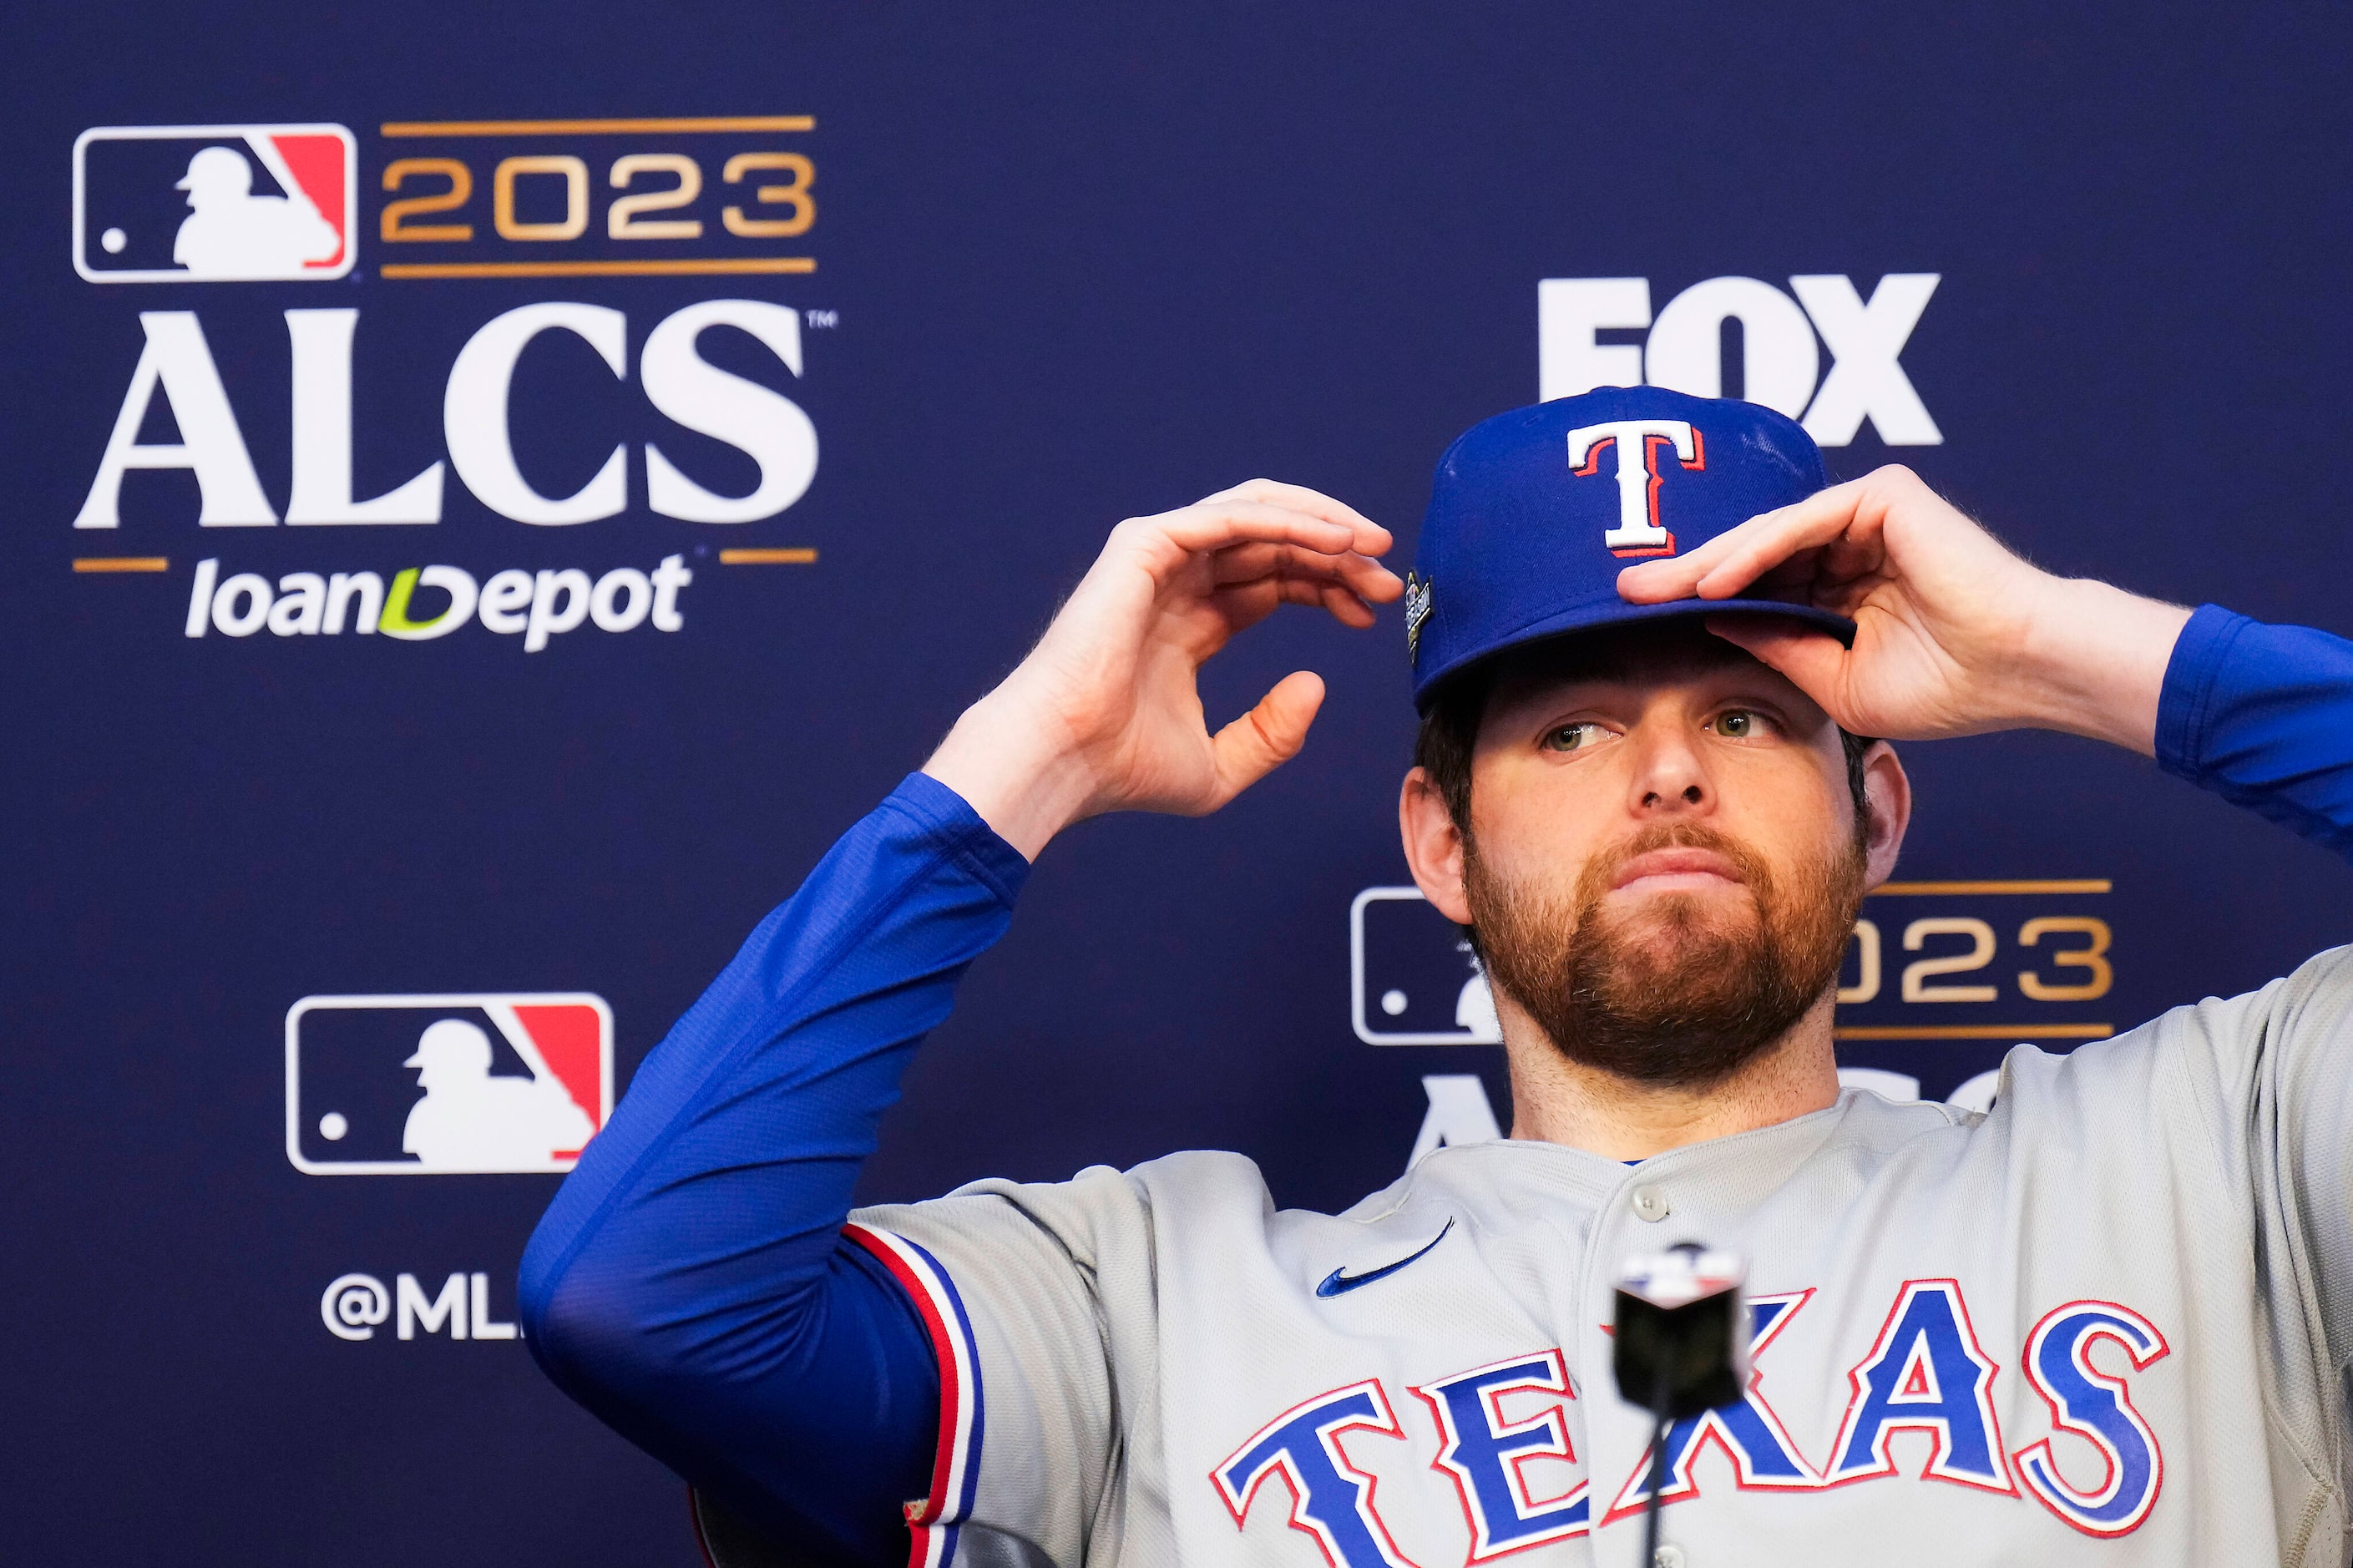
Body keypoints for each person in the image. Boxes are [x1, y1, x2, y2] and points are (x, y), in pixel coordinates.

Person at [519, 386, 2353, 1566]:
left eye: (1742, 710)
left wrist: (2068, 651)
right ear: (1435, 844)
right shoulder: (1152, 1309)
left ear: (1876, 800)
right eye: (1565, 731)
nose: (1663, 774)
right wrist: (1024, 763)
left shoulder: (2212, 1162)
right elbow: (639, 1300)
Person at [402, 1018, 594, 1171]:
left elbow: (580, 1136)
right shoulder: (426, 1114)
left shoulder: (522, 1096)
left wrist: (557, 1106)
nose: (423, 1080)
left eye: (433, 1068)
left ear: (460, 1067)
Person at [171, 144, 339, 279]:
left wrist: (308, 220)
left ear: (221, 188)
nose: (191, 200)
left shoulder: (276, 215)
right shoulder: (195, 229)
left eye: (199, 190)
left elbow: (326, 248)